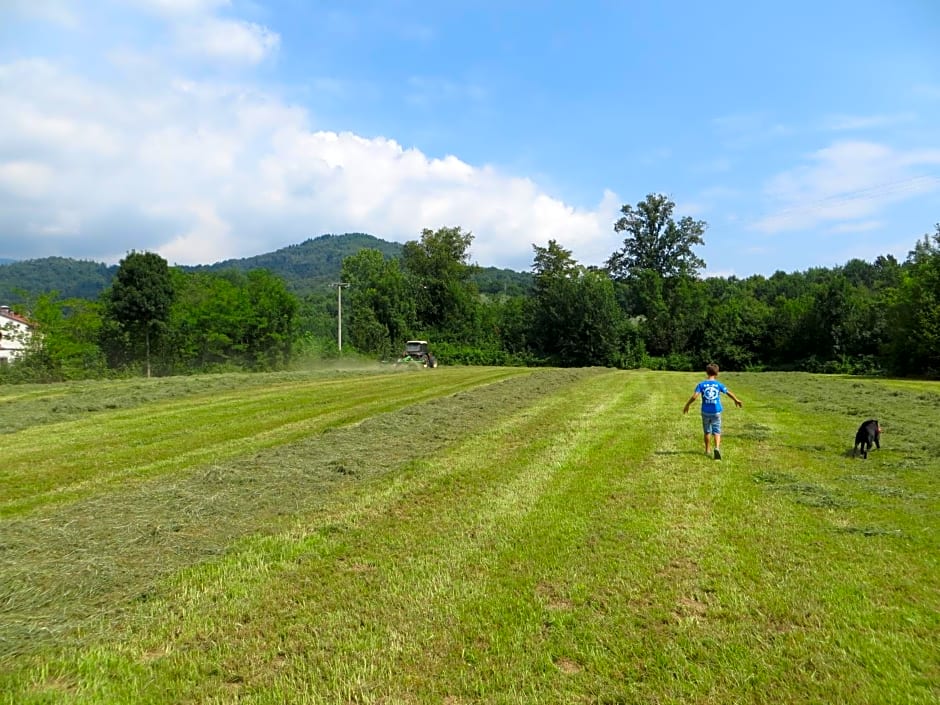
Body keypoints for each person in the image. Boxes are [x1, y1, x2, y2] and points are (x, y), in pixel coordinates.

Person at [682, 363, 743, 460]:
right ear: (717, 373)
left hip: (705, 411)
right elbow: (728, 393)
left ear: (706, 373)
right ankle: (717, 448)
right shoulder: (719, 384)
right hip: (716, 411)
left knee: (707, 431)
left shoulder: (701, 384)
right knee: (717, 431)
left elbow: (694, 396)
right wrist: (736, 400)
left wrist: (687, 405)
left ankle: (707, 450)